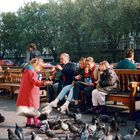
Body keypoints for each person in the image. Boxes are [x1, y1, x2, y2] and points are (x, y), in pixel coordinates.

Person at [16, 58, 52, 128]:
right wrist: (44, 83)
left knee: (29, 109)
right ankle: (36, 122)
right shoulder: (32, 72)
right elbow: (35, 82)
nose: (39, 69)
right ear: (35, 65)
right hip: (31, 93)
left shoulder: (26, 71)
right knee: (34, 108)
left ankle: (28, 123)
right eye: (39, 67)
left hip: (25, 92)